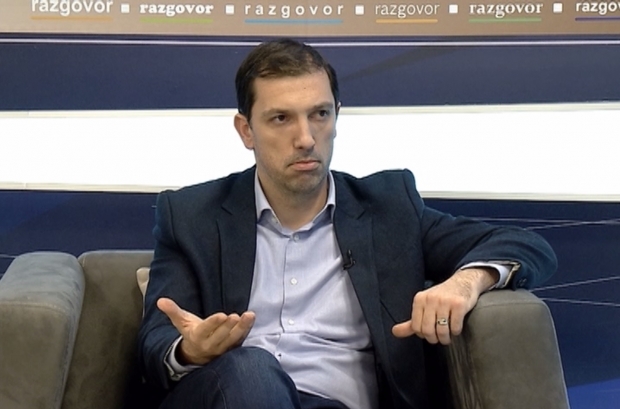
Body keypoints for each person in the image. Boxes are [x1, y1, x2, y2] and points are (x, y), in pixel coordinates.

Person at [138, 38, 557, 409]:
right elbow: (157, 343)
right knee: (252, 370)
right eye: (281, 118)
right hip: (231, 394)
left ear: (337, 116)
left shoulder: (389, 209)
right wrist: (190, 351)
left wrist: (465, 282)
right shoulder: (192, 215)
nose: (306, 138)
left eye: (319, 114)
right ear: (246, 130)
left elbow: (524, 244)